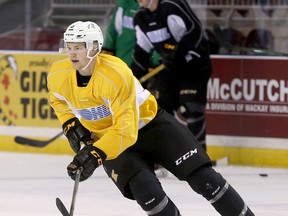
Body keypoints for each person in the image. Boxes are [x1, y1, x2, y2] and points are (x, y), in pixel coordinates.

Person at [48, 21, 254, 215]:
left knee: (206, 180)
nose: (72, 53)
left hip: (153, 128)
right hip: (112, 143)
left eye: (78, 47)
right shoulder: (58, 75)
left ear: (93, 48)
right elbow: (59, 101)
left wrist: (95, 154)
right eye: (69, 46)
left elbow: (125, 131)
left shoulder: (115, 74)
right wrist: (71, 126)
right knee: (148, 193)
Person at [130, 0, 212, 153]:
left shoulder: (172, 5)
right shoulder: (140, 18)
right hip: (170, 67)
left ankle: (200, 156)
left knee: (191, 106)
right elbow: (141, 52)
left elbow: (195, 31)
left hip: (195, 64)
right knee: (160, 109)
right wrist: (132, 79)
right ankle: (165, 156)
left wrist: (178, 53)